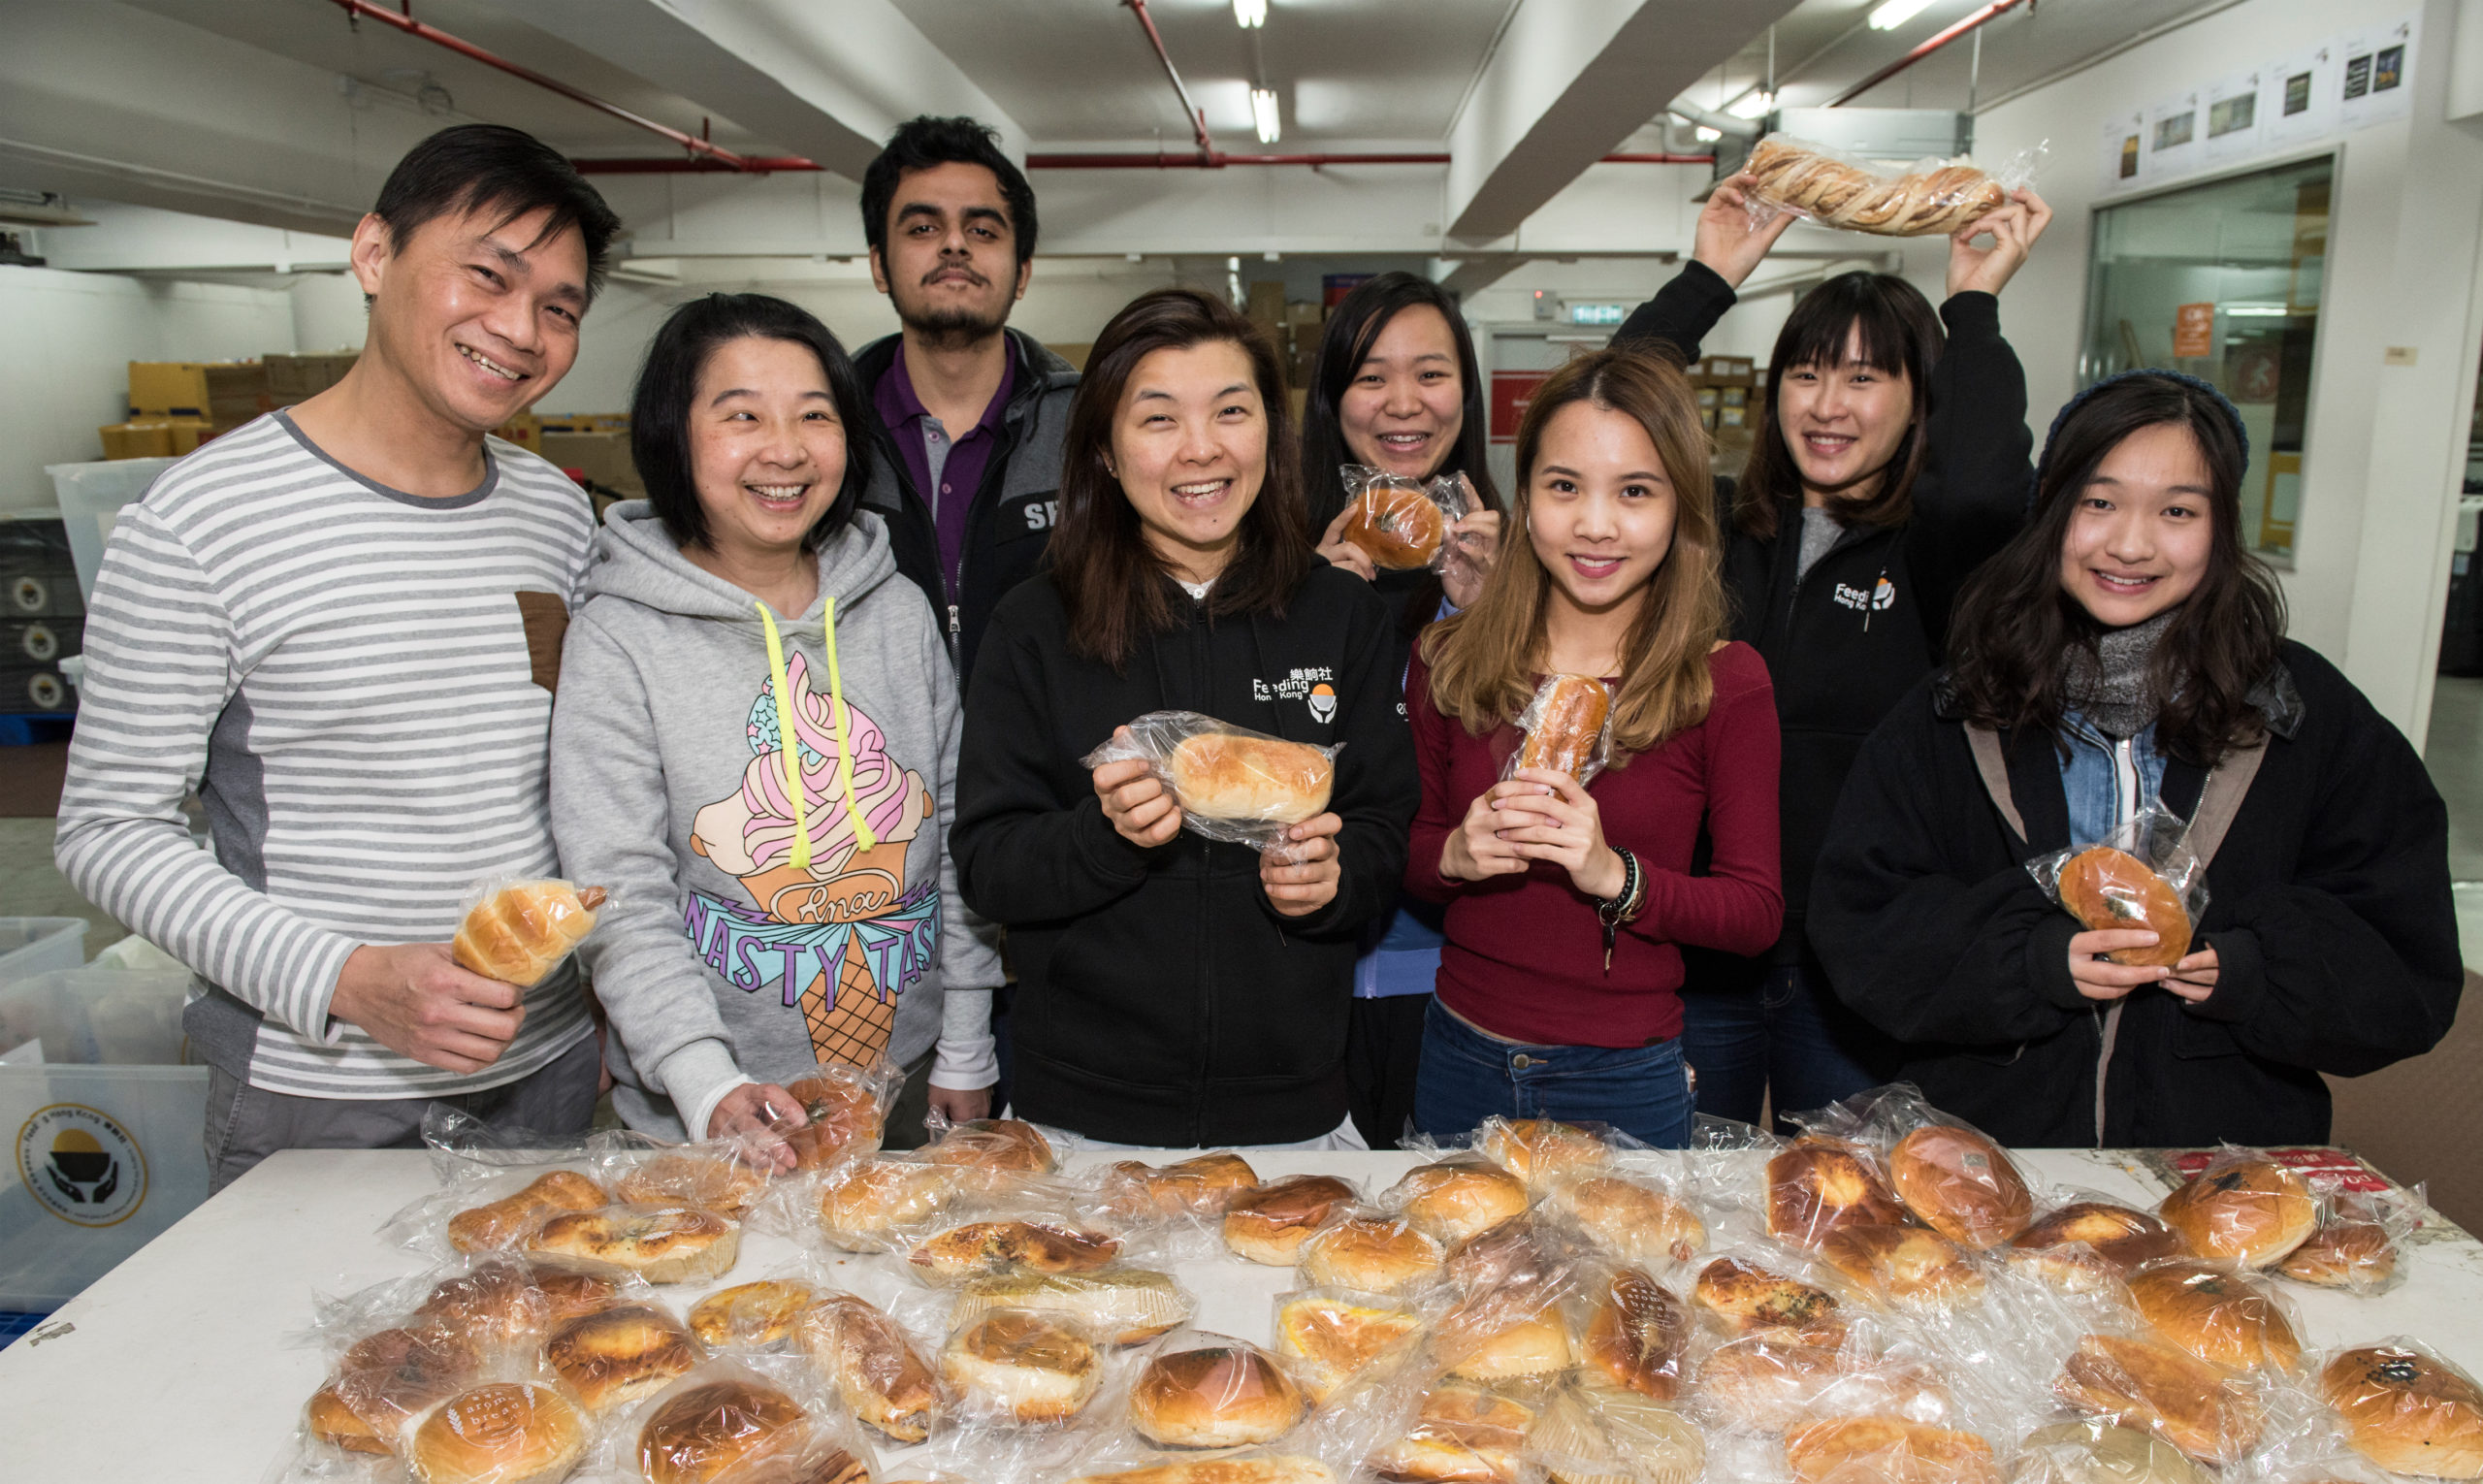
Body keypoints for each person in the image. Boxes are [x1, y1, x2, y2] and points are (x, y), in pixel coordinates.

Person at [52, 125, 622, 1192]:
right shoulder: (201, 520)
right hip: (319, 1085)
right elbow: (106, 828)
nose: (520, 329)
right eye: (488, 276)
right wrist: (345, 979)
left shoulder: (556, 512)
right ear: (373, 254)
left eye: (559, 307)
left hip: (539, 1071)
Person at [1809, 371, 2461, 1146]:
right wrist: (2030, 957)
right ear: (2051, 511)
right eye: (2099, 502)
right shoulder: (1959, 706)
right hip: (1992, 1160)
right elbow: (1862, 927)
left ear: (2222, 528)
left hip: (2223, 1168)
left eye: (2178, 511)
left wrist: (2256, 970)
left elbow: (2406, 964)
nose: (2130, 544)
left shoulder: (2301, 715)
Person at [1612, 174, 2050, 1131]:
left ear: (1916, 396)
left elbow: (1979, 486)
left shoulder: (1936, 552)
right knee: (1680, 1193)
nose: (1826, 404)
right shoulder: (1716, 527)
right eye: (1806, 373)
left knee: (1846, 1212)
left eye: (1865, 377)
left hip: (1855, 959)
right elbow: (1613, 415)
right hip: (1703, 943)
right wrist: (1710, 274)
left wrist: (1971, 305)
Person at [951, 288, 1419, 1148]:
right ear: (1103, 449)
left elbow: (1388, 824)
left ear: (1270, 435)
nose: (1200, 450)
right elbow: (988, 864)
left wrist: (1336, 880)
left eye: (1231, 411)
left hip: (1295, 1114)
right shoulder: (1034, 624)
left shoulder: (1340, 615)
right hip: (1083, 1120)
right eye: (1158, 418)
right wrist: (1104, 837)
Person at [548, 294, 1001, 1155]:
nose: (785, 450)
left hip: (907, 1089)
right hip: (711, 1114)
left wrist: (968, 1042)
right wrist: (703, 1080)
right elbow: (621, 893)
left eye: (814, 415)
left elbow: (952, 835)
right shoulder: (620, 634)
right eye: (742, 416)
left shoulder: (895, 608)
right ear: (673, 436)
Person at [1403, 348, 1783, 1147]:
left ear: (1680, 506)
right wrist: (1455, 858)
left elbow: (1755, 913)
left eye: (1635, 492)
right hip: (1460, 1052)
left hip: (1625, 1074)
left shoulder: (1725, 682)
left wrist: (1616, 876)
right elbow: (1407, 855)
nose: (1596, 524)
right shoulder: (1447, 657)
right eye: (1564, 486)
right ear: (1527, 498)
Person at [1296, 272, 1505, 1147]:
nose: (1403, 403)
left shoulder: (1516, 561)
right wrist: (1306, 610)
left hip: (1463, 976)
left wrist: (1503, 621)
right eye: (1372, 376)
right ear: (1333, 400)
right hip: (1305, 970)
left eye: (1431, 372)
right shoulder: (1279, 557)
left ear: (1467, 392)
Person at [855, 114, 1078, 686]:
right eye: (923, 228)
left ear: (1022, 271)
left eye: (982, 230)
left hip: (1047, 769)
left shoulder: (1088, 424)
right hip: (875, 770)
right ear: (880, 264)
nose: (954, 243)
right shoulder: (825, 428)